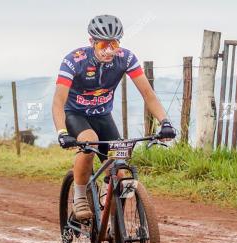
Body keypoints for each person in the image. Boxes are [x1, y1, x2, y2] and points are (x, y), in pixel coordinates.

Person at [52, 14, 175, 220]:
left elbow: (148, 94)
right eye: (103, 45)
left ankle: (112, 215)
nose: (109, 50)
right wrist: (62, 132)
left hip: (103, 116)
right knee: (88, 142)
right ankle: (80, 196)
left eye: (114, 44)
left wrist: (165, 122)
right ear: (92, 42)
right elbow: (58, 102)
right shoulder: (74, 61)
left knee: (119, 170)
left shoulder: (125, 58)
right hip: (75, 115)